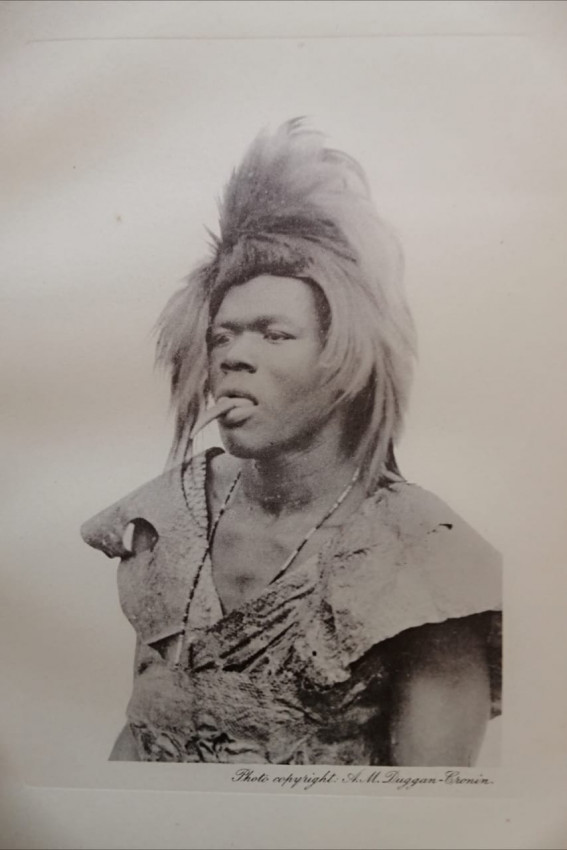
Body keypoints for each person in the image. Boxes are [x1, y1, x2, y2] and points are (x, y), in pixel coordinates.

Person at [81, 119, 502, 765]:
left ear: (345, 364)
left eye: (274, 335)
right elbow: (143, 734)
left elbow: (431, 802)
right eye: (222, 337)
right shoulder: (167, 520)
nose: (233, 356)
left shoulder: (421, 555)